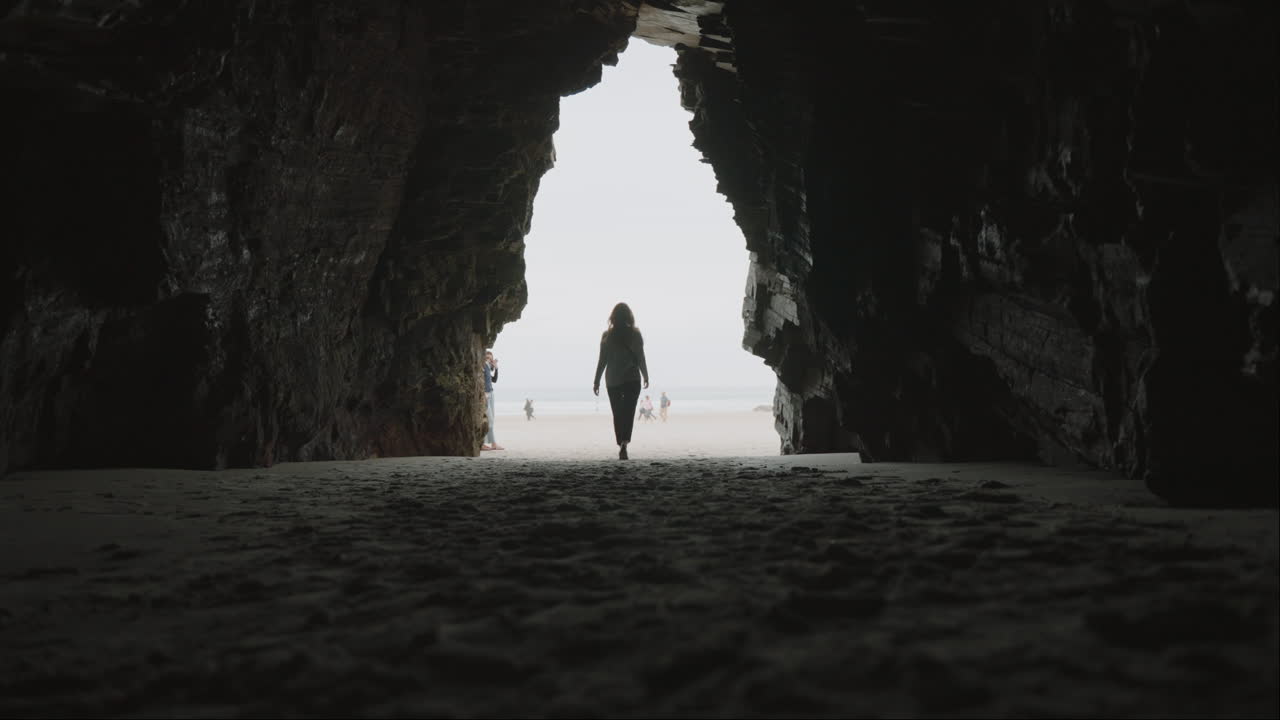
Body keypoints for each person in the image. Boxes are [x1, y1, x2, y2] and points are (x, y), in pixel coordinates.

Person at [593, 302, 649, 460]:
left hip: (613, 380)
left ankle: (621, 442)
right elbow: (640, 357)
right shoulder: (635, 334)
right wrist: (645, 375)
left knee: (618, 413)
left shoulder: (607, 336)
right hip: (632, 379)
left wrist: (596, 380)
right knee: (629, 412)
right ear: (629, 316)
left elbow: (602, 360)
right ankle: (625, 442)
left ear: (613, 317)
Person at [480, 350, 503, 451]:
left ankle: (493, 443)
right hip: (485, 396)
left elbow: (494, 380)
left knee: (491, 420)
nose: (489, 360)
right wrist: (482, 394)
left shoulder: (488, 367)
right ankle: (482, 444)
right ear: (484, 358)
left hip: (491, 394)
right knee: (489, 419)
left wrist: (496, 368)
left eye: (491, 358)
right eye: (487, 358)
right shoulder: (483, 367)